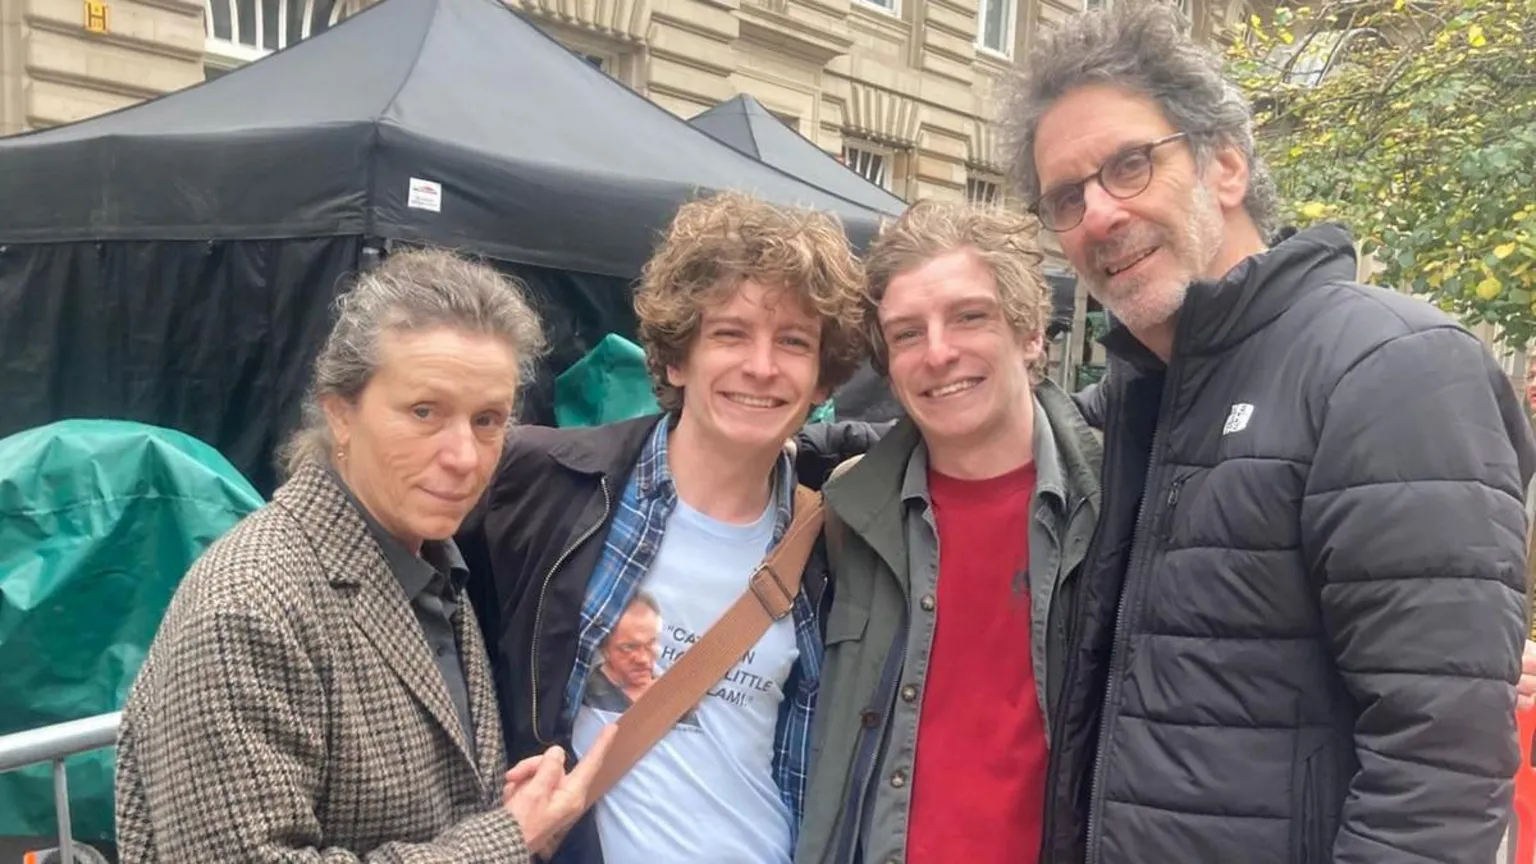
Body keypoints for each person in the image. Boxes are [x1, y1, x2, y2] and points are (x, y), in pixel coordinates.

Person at [1002, 3, 1536, 861]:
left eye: (1129, 165)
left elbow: (1437, 771)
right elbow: (993, 441)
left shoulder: (1390, 369)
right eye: (1068, 196)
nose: (1098, 215)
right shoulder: (1142, 397)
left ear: (1225, 165)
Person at [114, 249, 612, 862]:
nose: (464, 456)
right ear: (340, 413)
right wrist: (505, 837)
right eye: (424, 412)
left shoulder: (433, 563)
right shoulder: (248, 606)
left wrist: (500, 810)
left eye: (487, 420)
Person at [456, 192, 868, 864]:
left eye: (793, 341)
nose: (762, 366)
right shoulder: (546, 482)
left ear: (822, 378)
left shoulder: (833, 548)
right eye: (730, 333)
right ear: (679, 358)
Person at [795, 199, 1103, 864]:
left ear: (1030, 333)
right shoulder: (845, 514)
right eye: (907, 333)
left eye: (969, 317)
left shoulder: (1116, 508)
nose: (938, 353)